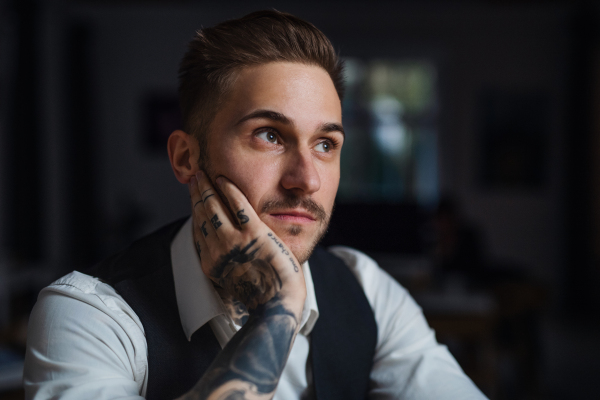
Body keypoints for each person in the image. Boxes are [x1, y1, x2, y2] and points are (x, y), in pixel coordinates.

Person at [24, 10, 487, 400]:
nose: (306, 179)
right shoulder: (88, 315)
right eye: (269, 135)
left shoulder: (366, 290)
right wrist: (277, 311)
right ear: (187, 157)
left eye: (326, 144)